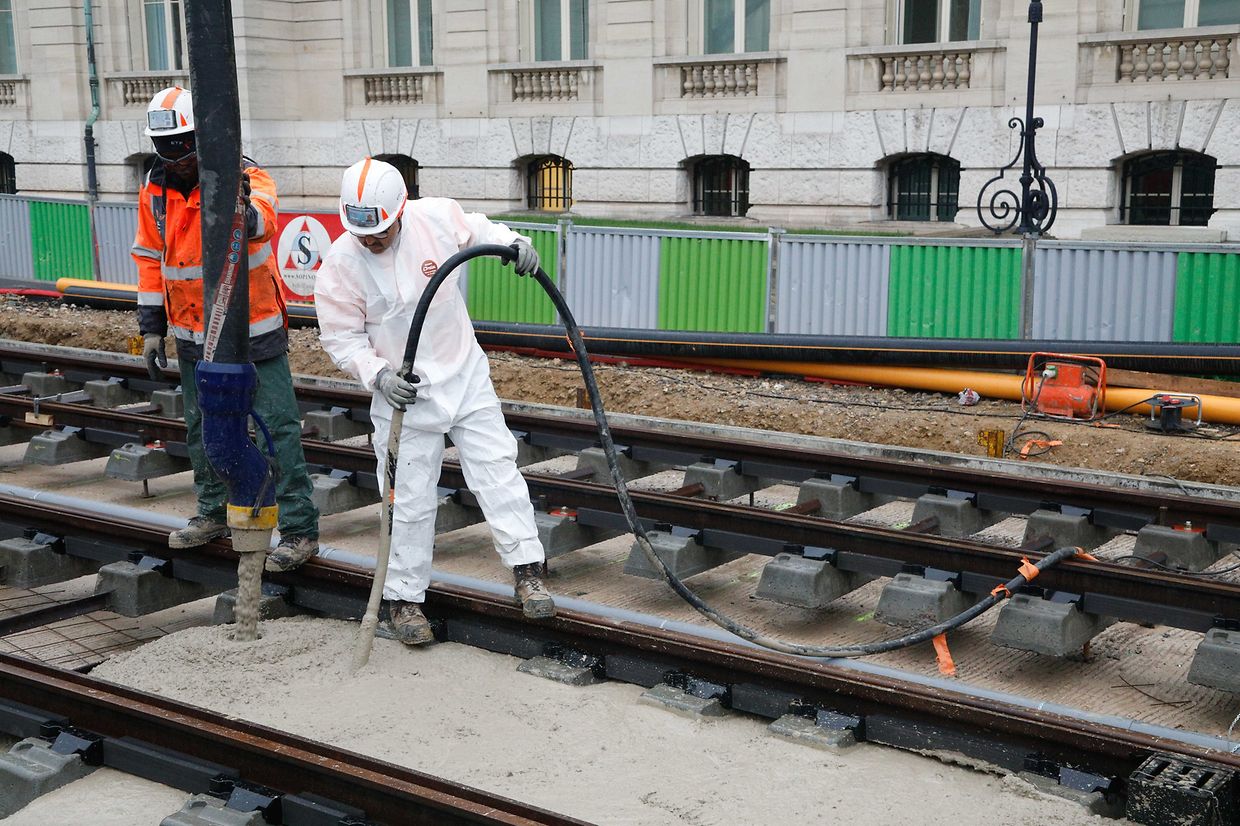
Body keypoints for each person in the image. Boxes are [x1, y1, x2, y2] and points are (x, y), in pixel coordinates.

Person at [314, 157, 555, 645]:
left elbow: (482, 229)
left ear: (400, 209)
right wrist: (378, 375)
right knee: (407, 501)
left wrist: (516, 244)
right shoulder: (341, 264)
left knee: (497, 472)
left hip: (464, 376)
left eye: (379, 232)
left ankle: (528, 573)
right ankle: (404, 601)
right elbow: (341, 338)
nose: (371, 241)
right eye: (363, 233)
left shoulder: (437, 218)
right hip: (404, 398)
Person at [130, 86, 321, 571]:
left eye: (183, 146)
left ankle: (298, 531)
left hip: (254, 332)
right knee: (202, 429)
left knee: (277, 428)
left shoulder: (249, 177)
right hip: (194, 335)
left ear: (205, 136)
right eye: (167, 148)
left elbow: (262, 221)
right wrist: (151, 327)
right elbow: (151, 260)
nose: (176, 158)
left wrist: (234, 200)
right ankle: (212, 512)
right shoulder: (154, 191)